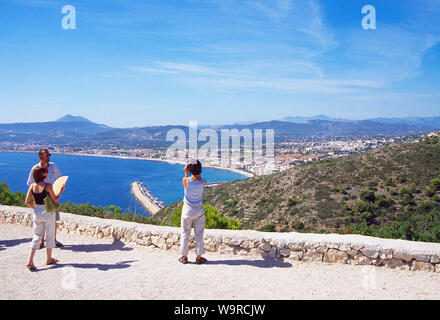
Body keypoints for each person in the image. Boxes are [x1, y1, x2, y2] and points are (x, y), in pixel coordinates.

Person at [25, 166, 65, 271]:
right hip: (48, 212)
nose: (47, 173)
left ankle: (30, 261)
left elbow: (27, 202)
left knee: (37, 236)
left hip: (37, 212)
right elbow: (55, 200)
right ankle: (48, 259)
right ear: (43, 174)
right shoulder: (47, 186)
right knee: (50, 235)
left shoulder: (32, 186)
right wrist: (61, 191)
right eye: (46, 172)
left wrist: (36, 208)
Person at [27, 149, 63, 248]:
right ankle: (42, 241)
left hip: (51, 196)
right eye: (46, 155)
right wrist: (34, 200)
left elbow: (59, 179)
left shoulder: (53, 166)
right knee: (41, 223)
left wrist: (58, 189)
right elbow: (31, 184)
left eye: (49, 155)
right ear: (40, 157)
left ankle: (53, 241)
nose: (48, 157)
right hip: (40, 198)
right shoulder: (35, 168)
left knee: (54, 219)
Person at [179, 160, 208, 264]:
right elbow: (199, 180)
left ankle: (184, 257)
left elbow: (186, 182)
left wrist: (186, 172)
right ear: (200, 169)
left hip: (187, 210)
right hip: (199, 210)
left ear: (190, 170)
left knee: (185, 233)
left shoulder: (186, 180)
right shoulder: (203, 181)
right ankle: (199, 258)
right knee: (199, 234)